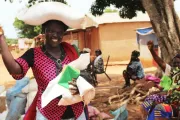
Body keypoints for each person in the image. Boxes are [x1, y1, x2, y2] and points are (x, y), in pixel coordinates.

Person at [0, 20, 90, 120]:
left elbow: (81, 74)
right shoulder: (34, 54)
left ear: (63, 33)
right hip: (48, 113)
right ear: (44, 31)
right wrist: (2, 40)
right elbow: (15, 69)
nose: (55, 35)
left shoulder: (70, 50)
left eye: (59, 32)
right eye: (51, 31)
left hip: (76, 110)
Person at [141, 41, 180, 120]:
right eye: (174, 63)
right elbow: (161, 62)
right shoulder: (173, 72)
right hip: (169, 100)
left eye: (178, 63)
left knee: (159, 108)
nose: (176, 65)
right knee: (146, 103)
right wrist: (152, 50)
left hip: (177, 105)